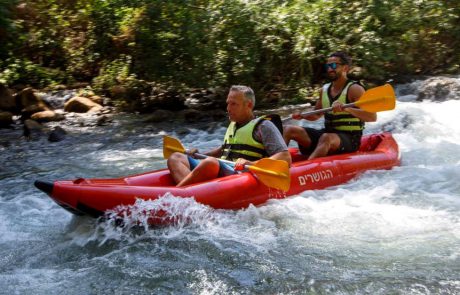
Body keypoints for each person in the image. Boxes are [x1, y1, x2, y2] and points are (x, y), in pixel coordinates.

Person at [167, 85, 292, 187]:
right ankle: (189, 192)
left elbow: (285, 157)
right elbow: (225, 149)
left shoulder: (264, 126)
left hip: (241, 174)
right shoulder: (233, 124)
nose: (228, 108)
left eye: (233, 104)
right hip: (223, 168)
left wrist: (252, 163)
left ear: (248, 105)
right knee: (175, 157)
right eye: (228, 103)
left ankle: (176, 194)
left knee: (210, 163)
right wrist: (200, 154)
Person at [283, 51, 377, 159]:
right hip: (328, 134)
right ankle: (275, 161)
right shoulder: (324, 90)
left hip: (349, 139)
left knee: (326, 137)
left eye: (333, 65)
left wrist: (347, 110)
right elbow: (317, 115)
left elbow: (372, 116)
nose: (330, 69)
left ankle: (308, 167)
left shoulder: (355, 89)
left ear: (345, 68)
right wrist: (302, 115)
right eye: (328, 66)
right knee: (288, 129)